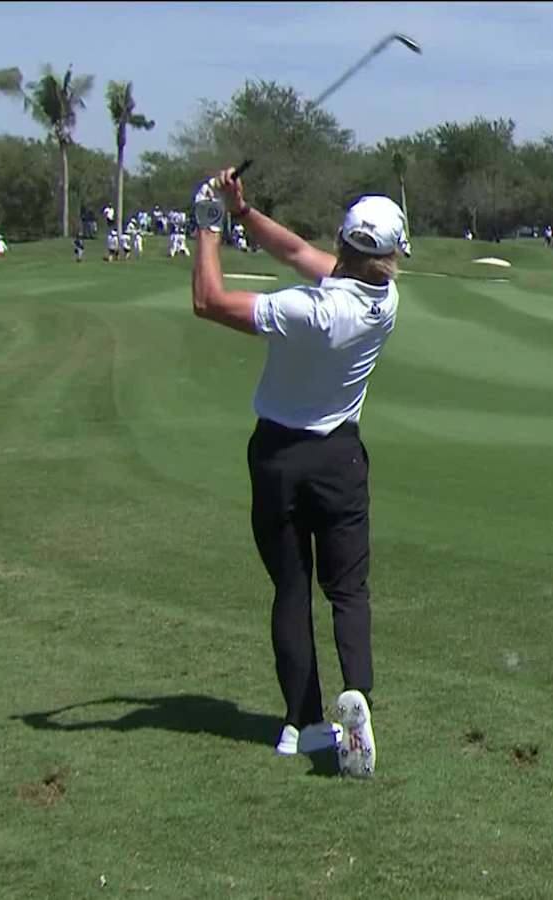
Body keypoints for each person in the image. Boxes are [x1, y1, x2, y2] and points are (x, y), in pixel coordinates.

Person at [190, 165, 400, 779]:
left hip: (278, 457)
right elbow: (293, 250)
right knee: (348, 592)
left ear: (346, 244)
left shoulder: (306, 311)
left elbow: (208, 300)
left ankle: (304, 724)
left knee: (290, 589)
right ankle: (356, 697)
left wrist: (206, 224)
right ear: (390, 254)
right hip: (339, 460)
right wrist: (240, 211)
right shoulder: (382, 300)